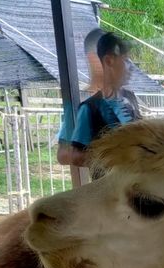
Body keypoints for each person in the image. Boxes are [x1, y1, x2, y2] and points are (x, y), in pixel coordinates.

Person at [62, 32, 141, 168]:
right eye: (126, 60)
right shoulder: (89, 108)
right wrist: (114, 157)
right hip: (108, 186)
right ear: (109, 61)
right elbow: (76, 156)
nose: (131, 68)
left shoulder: (130, 98)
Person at [56, 28, 104, 166]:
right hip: (102, 184)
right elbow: (63, 154)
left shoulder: (126, 98)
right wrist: (108, 156)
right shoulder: (79, 103)